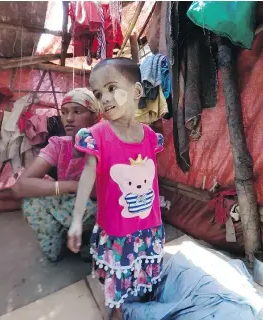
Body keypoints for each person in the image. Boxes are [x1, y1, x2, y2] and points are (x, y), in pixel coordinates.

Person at [67, 59, 165, 316]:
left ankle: (142, 304)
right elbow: (87, 177)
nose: (105, 99)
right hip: (117, 232)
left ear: (136, 91)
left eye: (112, 88)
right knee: (118, 283)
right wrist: (77, 219)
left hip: (148, 227)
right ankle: (118, 310)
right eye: (98, 94)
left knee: (144, 274)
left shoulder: (152, 137)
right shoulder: (97, 135)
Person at [12, 88, 100, 262]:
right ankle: (62, 241)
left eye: (77, 111)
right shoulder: (59, 144)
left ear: (95, 116)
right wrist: (70, 186)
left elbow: (102, 191)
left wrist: (79, 190)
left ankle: (90, 242)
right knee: (32, 202)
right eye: (64, 112)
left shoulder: (104, 144)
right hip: (69, 201)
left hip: (96, 207)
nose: (68, 119)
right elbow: (19, 187)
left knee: (103, 207)